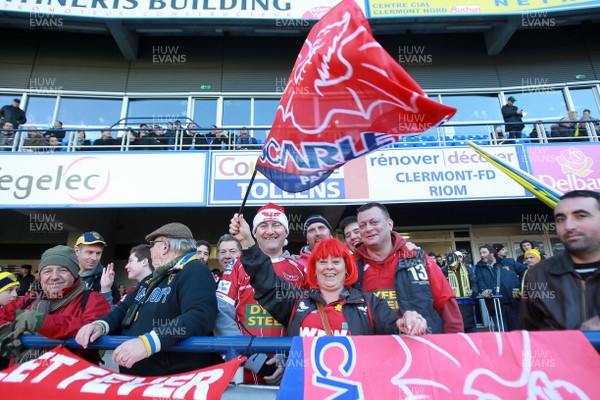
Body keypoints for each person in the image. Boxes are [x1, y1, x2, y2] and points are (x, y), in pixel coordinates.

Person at [228, 217, 428, 337]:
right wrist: (248, 243)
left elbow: (395, 332)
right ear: (314, 269)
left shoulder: (370, 304)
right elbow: (266, 280)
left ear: (347, 267)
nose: (329, 267)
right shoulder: (297, 300)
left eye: (336, 261)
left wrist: (408, 323)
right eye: (322, 262)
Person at [75, 222, 223, 376]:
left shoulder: (194, 270)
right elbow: (123, 309)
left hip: (175, 381)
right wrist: (100, 325)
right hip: (143, 379)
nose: (150, 250)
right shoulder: (152, 278)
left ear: (164, 247)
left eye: (152, 245)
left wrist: (148, 342)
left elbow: (199, 316)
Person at [216, 202, 305, 384]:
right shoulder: (236, 265)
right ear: (254, 233)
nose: (270, 231)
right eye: (263, 226)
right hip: (243, 371)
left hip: (289, 370)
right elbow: (220, 313)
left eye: (277, 225)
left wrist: (290, 356)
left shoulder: (301, 269)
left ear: (286, 232)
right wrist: (253, 358)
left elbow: (308, 320)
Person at [354, 203, 463, 333]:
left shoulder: (419, 259)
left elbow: (446, 305)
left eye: (374, 222)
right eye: (362, 225)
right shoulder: (352, 266)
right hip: (372, 348)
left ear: (389, 224)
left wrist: (454, 343)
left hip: (421, 345)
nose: (368, 228)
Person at [0, 246, 110, 366]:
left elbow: (91, 330)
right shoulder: (28, 300)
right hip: (21, 378)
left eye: (63, 270)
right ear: (40, 276)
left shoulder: (93, 300)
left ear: (74, 273)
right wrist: (6, 331)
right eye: (47, 271)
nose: (54, 276)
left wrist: (41, 322)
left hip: (70, 379)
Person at [520, 190, 600, 331]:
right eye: (560, 219)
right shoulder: (538, 275)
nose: (569, 226)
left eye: (580, 216)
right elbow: (530, 335)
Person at [476, 244, 527, 331]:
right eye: (480, 253)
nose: (482, 255)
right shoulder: (479, 267)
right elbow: (479, 281)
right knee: (501, 330)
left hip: (513, 302)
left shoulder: (508, 262)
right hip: (495, 304)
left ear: (492, 253)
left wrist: (520, 287)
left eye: (484, 252)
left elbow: (524, 270)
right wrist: (483, 291)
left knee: (516, 330)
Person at [74, 231, 120, 306]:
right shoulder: (65, 274)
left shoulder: (106, 278)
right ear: (77, 251)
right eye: (89, 252)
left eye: (98, 253)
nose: (94, 258)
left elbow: (115, 312)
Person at [443, 252, 478, 333]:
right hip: (453, 304)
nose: (452, 266)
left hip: (467, 302)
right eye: (450, 265)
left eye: (454, 264)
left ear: (458, 261)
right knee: (456, 327)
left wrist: (474, 293)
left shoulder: (467, 269)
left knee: (469, 327)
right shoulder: (444, 271)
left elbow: (473, 283)